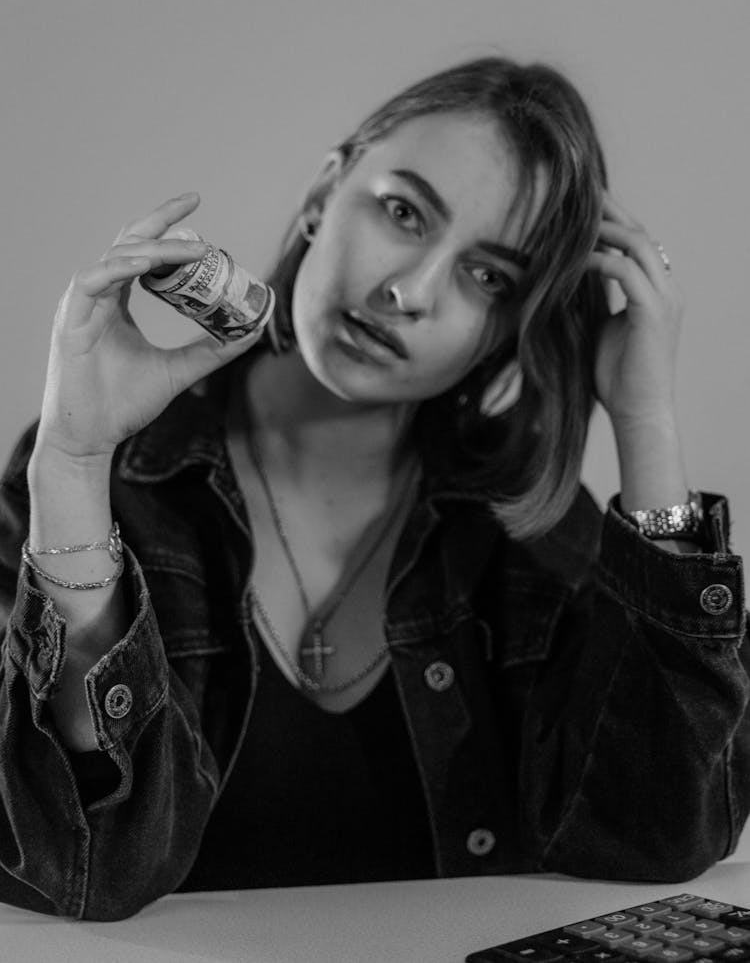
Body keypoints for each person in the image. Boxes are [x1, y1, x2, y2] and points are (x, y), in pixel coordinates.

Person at [0, 58, 747, 921]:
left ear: (512, 326)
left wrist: (647, 421)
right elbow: (77, 864)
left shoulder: (525, 535)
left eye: (489, 276)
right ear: (326, 192)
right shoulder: (91, 495)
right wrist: (75, 460)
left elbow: (658, 835)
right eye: (402, 212)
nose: (410, 289)